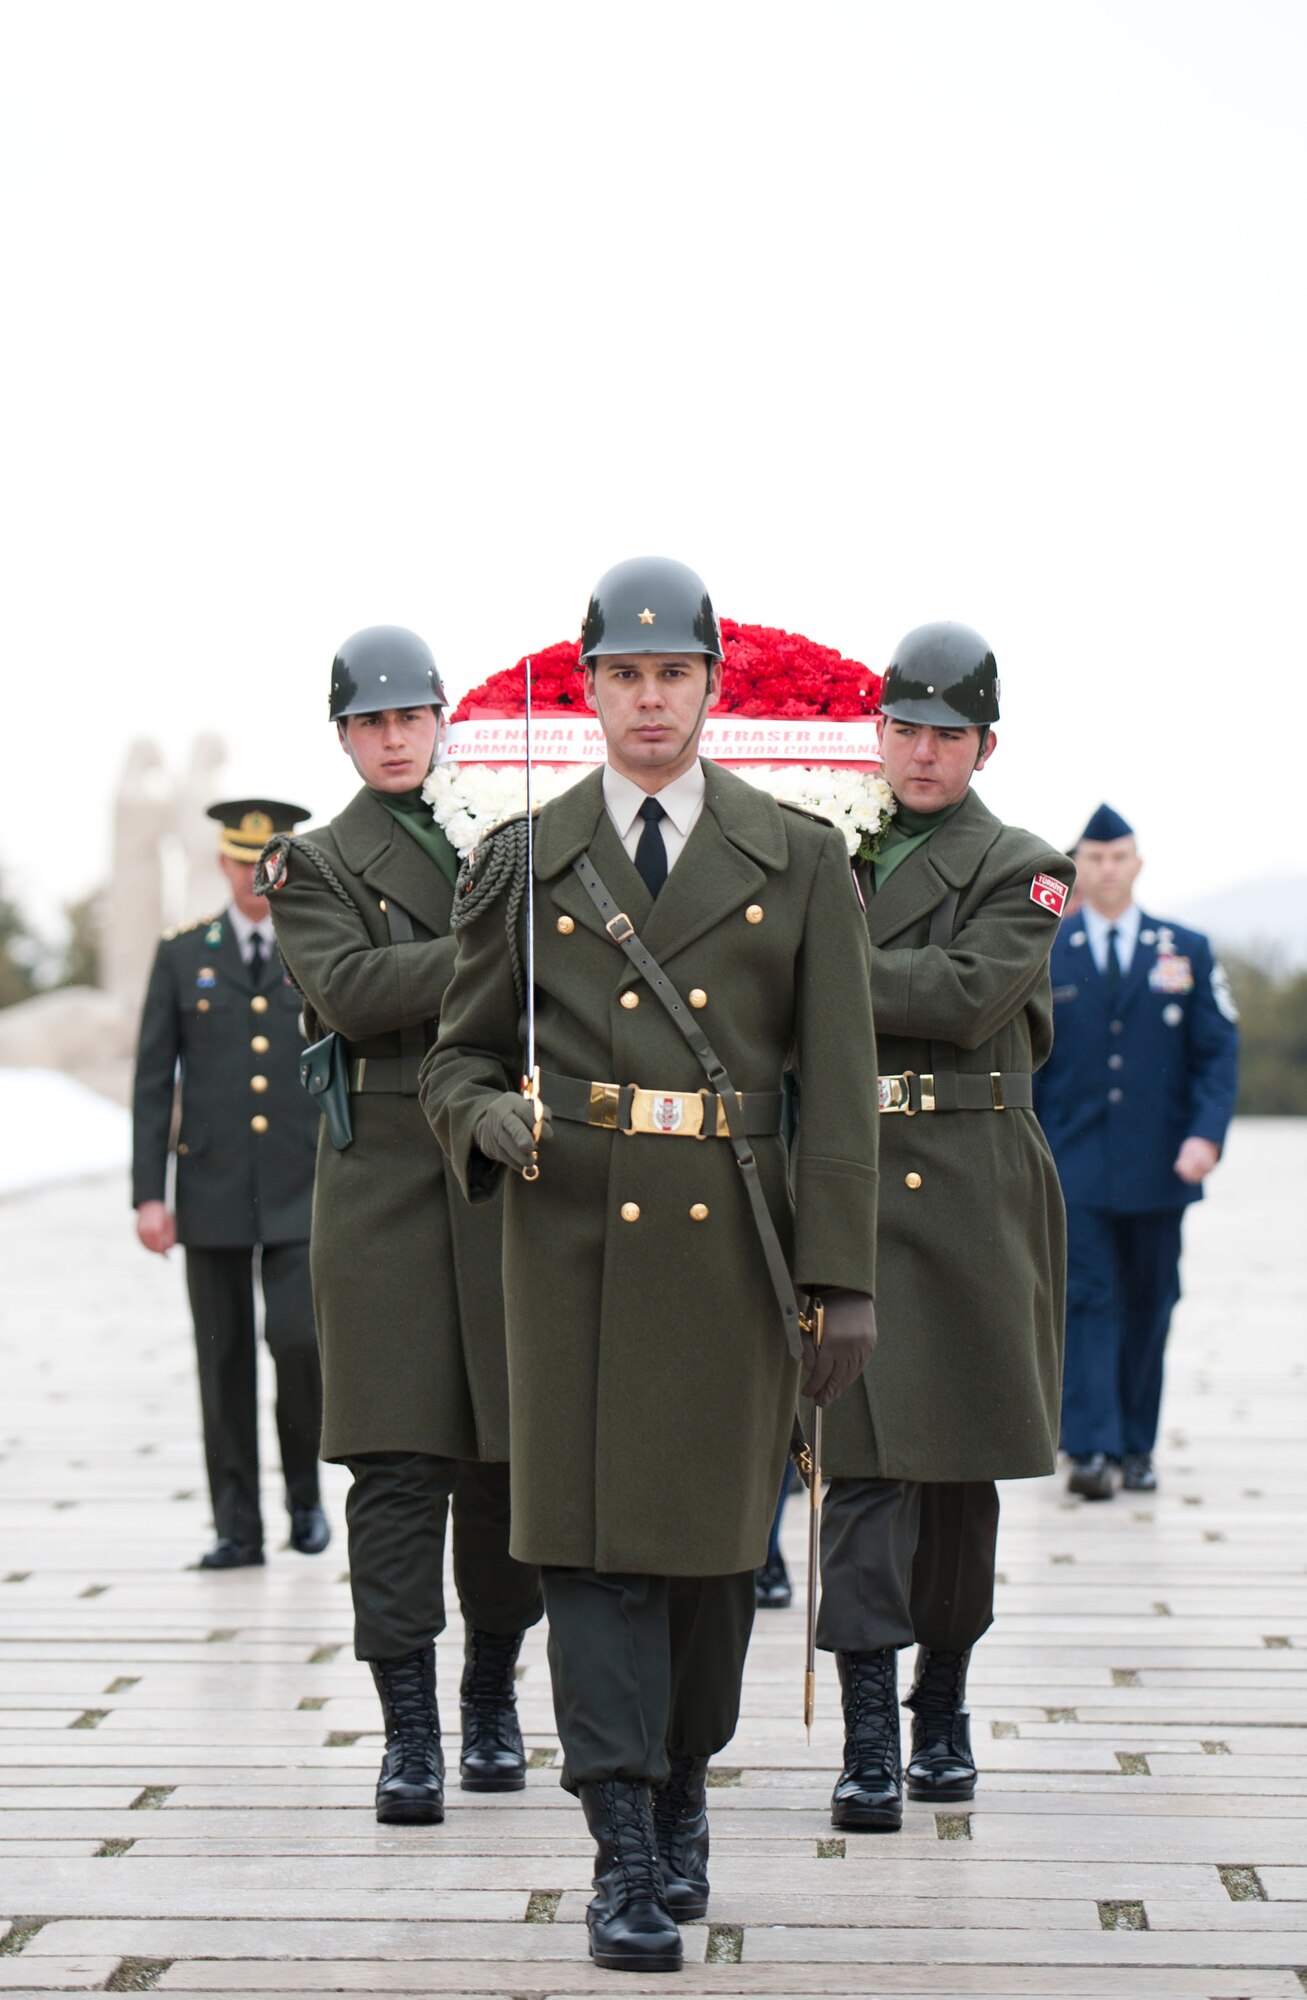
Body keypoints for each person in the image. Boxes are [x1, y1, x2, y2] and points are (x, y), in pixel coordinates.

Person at [422, 556, 880, 1973]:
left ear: (708, 686)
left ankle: (683, 1784)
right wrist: (489, 1117)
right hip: (566, 1246)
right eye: (620, 677)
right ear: (589, 688)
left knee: (700, 1566)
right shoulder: (523, 855)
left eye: (670, 675)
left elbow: (836, 1079)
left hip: (730, 1253)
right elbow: (453, 1055)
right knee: (587, 1560)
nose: (645, 702)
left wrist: (840, 1276)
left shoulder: (797, 856)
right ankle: (617, 1842)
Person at [255, 627, 543, 1826]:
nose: (390, 737)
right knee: (394, 1461)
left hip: (492, 1168)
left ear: (439, 722)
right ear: (342, 735)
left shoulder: (501, 830)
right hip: (377, 1176)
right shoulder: (310, 861)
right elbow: (351, 990)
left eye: (408, 717)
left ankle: (488, 1691)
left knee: (502, 1462)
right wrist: (488, 936)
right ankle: (408, 1729)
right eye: (368, 722)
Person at [816, 622, 1072, 1833]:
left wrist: (814, 963)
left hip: (971, 1181)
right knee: (859, 1466)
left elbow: (969, 998)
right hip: (855, 1172)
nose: (921, 754)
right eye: (904, 729)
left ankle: (943, 1700)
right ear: (878, 733)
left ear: (983, 744)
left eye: (946, 735)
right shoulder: (829, 852)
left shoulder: (1022, 862)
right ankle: (868, 1728)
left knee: (959, 1477)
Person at [132, 797, 329, 1570]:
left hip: (300, 1182)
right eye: (240, 862)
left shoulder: (314, 948)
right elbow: (154, 1080)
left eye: (265, 862)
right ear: (222, 863)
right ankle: (236, 1527)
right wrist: (150, 1193)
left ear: (283, 866)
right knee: (222, 1360)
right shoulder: (183, 954)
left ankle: (306, 1500)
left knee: (299, 1343)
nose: (253, 876)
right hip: (210, 1189)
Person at [1034, 803, 1239, 1500]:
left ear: (1137, 864)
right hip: (1073, 1162)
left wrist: (1204, 1136)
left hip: (1159, 1165)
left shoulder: (1183, 949)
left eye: (1117, 857)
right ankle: (1089, 1448)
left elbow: (1216, 1051)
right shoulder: (1046, 952)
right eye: (1092, 858)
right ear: (1078, 868)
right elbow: (1027, 1061)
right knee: (1086, 1299)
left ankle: (1136, 1446)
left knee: (1149, 1302)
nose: (1105, 869)